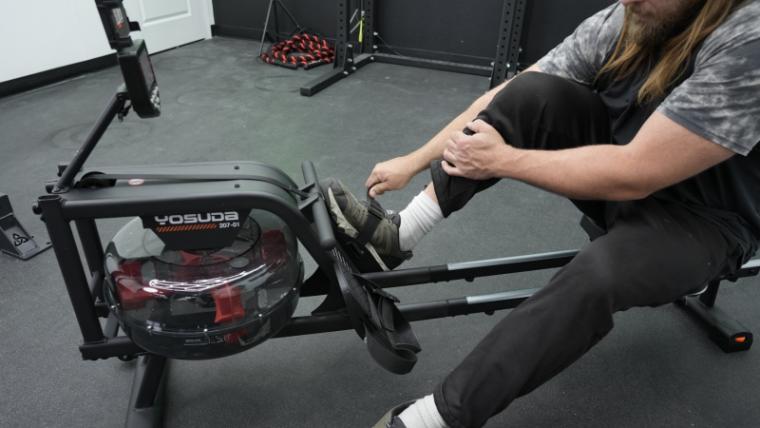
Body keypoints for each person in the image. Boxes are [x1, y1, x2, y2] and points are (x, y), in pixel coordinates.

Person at [321, 0, 760, 426]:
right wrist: (414, 160)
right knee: (532, 93)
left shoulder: (747, 39)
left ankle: (432, 420)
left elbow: (637, 173)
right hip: (622, 177)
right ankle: (402, 235)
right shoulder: (628, 17)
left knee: (598, 274)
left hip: (702, 220)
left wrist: (502, 160)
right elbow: (509, 94)